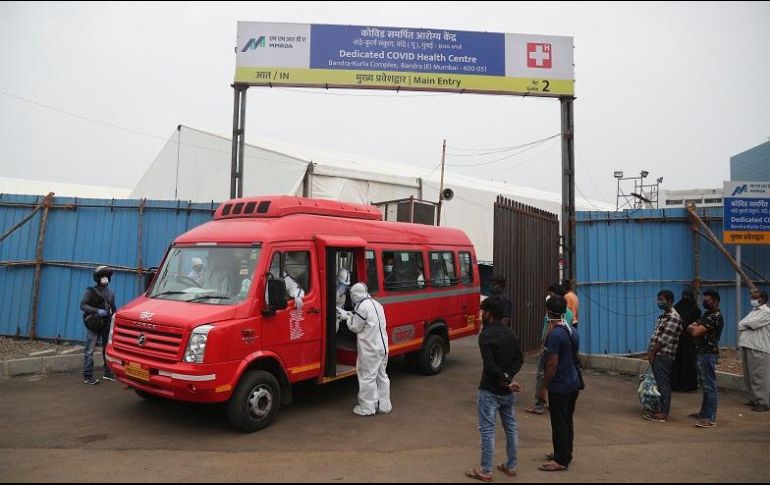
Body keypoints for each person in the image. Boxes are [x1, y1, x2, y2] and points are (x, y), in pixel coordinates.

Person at [465, 297, 523, 482]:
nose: (482, 314)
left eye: (483, 312)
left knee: (488, 431)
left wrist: (503, 378)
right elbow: (519, 359)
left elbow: (489, 364)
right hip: (507, 392)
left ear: (489, 314)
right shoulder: (511, 334)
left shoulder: (486, 335)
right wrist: (508, 377)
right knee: (511, 428)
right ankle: (511, 466)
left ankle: (486, 470)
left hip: (489, 390)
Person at [537, 295, 581, 472]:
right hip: (573, 382)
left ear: (549, 312)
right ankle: (564, 453)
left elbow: (552, 364)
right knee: (566, 420)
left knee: (559, 422)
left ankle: (561, 459)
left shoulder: (555, 335)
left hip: (560, 385)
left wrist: (543, 387)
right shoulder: (571, 331)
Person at [342, 282, 391, 416]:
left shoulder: (362, 307)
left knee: (367, 377)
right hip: (383, 347)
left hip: (370, 349)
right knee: (382, 376)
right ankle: (384, 406)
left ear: (355, 295)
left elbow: (356, 328)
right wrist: (354, 316)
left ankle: (367, 408)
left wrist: (348, 319)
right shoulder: (377, 304)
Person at [526, 284, 574, 415]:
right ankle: (553, 403)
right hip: (562, 348)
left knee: (542, 374)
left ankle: (539, 404)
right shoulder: (568, 312)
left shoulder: (552, 311)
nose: (549, 296)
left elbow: (549, 327)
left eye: (551, 294)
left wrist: (544, 345)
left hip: (551, 347)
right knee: (554, 374)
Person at [644, 290, 683, 423]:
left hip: (663, 355)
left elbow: (664, 340)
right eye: (658, 299)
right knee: (659, 384)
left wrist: (652, 352)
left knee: (663, 384)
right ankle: (659, 408)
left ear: (670, 301)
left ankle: (664, 412)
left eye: (661, 300)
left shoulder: (673, 317)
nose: (658, 302)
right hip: (657, 354)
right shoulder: (664, 316)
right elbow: (656, 335)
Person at [687, 289, 724, 428]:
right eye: (704, 300)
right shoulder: (707, 315)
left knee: (710, 386)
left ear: (715, 301)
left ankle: (710, 418)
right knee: (705, 385)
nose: (705, 303)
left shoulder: (715, 317)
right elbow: (689, 327)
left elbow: (695, 331)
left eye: (707, 301)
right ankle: (704, 413)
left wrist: (695, 328)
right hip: (701, 352)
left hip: (708, 354)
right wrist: (694, 327)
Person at [80, 265, 117, 385]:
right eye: (103, 276)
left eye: (107, 276)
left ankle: (108, 372)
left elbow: (113, 308)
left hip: (106, 324)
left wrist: (115, 319)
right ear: (97, 278)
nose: (105, 278)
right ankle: (87, 375)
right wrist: (97, 311)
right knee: (90, 350)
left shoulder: (110, 292)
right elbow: (83, 305)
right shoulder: (90, 291)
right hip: (94, 325)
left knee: (107, 349)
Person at [738, 289, 770, 412]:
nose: (752, 300)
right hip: (747, 345)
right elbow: (741, 324)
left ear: (762, 299)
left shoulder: (766, 312)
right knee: (749, 374)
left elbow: (752, 323)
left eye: (755, 297)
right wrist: (746, 324)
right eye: (752, 297)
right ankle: (753, 398)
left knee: (759, 376)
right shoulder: (753, 311)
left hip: (759, 347)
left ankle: (763, 402)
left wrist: (746, 324)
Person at [672, 287, 702, 392]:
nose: (685, 298)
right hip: (677, 339)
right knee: (676, 361)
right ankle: (675, 385)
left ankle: (688, 386)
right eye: (684, 296)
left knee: (688, 362)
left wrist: (688, 328)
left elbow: (697, 323)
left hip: (689, 339)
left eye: (687, 296)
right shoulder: (676, 308)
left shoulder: (696, 310)